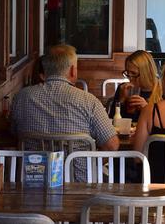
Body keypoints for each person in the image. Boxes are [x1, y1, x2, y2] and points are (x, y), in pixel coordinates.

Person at [11, 44, 119, 181]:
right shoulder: (88, 101)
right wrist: (93, 162)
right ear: (73, 71)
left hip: (35, 181)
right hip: (79, 184)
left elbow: (14, 132)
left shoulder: (21, 97)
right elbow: (112, 145)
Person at [107, 50, 162, 122]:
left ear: (146, 72)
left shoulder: (161, 91)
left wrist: (146, 109)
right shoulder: (123, 89)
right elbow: (112, 121)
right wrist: (121, 101)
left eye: (133, 73)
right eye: (127, 73)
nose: (130, 78)